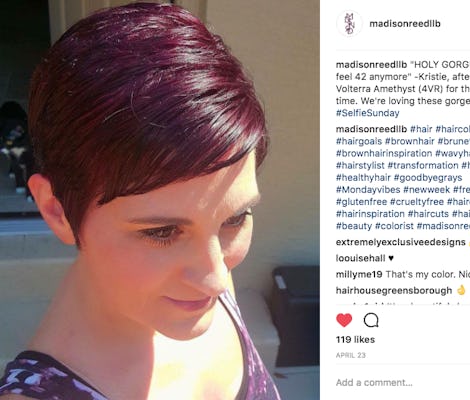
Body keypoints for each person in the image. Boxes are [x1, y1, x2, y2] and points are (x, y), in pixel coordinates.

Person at [0, 3, 281, 399]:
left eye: (234, 219)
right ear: (56, 210)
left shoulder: (202, 272)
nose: (217, 279)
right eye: (163, 232)